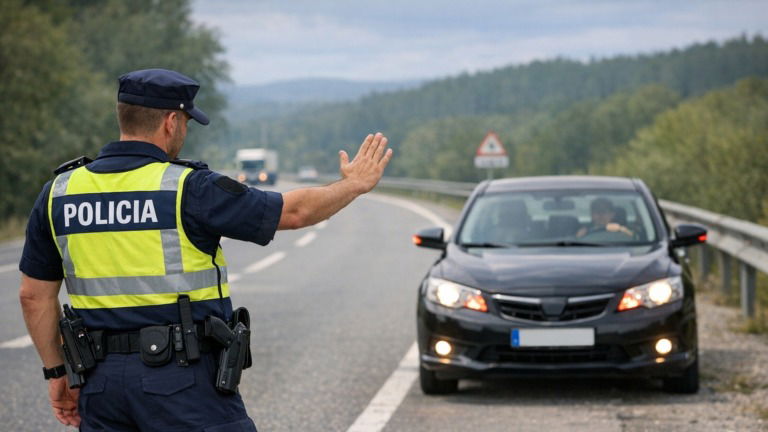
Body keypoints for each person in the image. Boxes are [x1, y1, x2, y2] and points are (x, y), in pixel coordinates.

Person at [18, 68, 392, 431]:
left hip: (100, 385)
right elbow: (292, 212)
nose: (185, 131)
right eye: (186, 122)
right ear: (170, 122)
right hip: (181, 383)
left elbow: (33, 297)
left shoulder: (59, 193)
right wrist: (353, 185)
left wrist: (56, 372)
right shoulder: (189, 188)